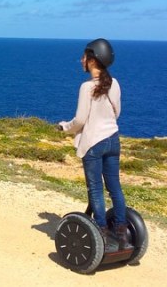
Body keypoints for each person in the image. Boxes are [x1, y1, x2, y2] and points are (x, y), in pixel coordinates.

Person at [57, 38, 132, 251]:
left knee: (96, 189)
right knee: (114, 187)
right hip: (113, 140)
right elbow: (117, 112)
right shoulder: (114, 83)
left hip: (93, 142)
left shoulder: (87, 87)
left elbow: (80, 120)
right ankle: (121, 232)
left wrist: (64, 127)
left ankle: (101, 232)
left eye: (84, 57)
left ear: (92, 60)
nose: (81, 60)